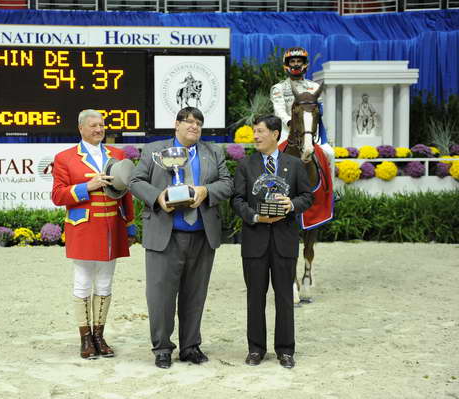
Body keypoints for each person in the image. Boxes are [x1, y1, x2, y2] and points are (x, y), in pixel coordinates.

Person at [129, 106, 233, 369]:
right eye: (188, 122)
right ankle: (162, 348)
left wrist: (206, 191)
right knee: (160, 296)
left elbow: (228, 184)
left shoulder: (213, 152)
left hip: (201, 234)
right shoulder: (154, 150)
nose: (194, 126)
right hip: (165, 235)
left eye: (199, 123)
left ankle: (190, 346)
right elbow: (135, 181)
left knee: (195, 295)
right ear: (176, 125)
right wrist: (158, 197)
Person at [51, 109, 136, 360]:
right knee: (83, 282)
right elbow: (58, 196)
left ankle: (99, 335)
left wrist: (130, 225)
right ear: (81, 129)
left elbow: (126, 193)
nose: (99, 129)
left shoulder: (118, 155)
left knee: (105, 282)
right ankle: (85, 338)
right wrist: (87, 187)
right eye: (93, 125)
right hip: (83, 227)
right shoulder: (65, 158)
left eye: (101, 125)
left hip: (112, 226)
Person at [231, 115, 313, 369]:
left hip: (284, 242)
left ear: (276, 134)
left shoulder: (295, 164)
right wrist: (255, 216)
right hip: (255, 241)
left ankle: (285, 350)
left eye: (260, 132)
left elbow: (307, 196)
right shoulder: (245, 165)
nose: (255, 136)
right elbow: (236, 200)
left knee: (284, 298)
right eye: (254, 132)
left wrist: (292, 205)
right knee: (255, 296)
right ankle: (256, 349)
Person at [270, 47, 335, 178]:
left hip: (309, 132)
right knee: (272, 155)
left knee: (330, 152)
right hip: (286, 132)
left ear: (305, 64)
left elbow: (319, 112)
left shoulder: (315, 87)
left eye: (299, 60)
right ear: (287, 64)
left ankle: (331, 190)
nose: (296, 64)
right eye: (292, 61)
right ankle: (271, 188)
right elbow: (279, 110)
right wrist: (290, 122)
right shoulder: (279, 88)